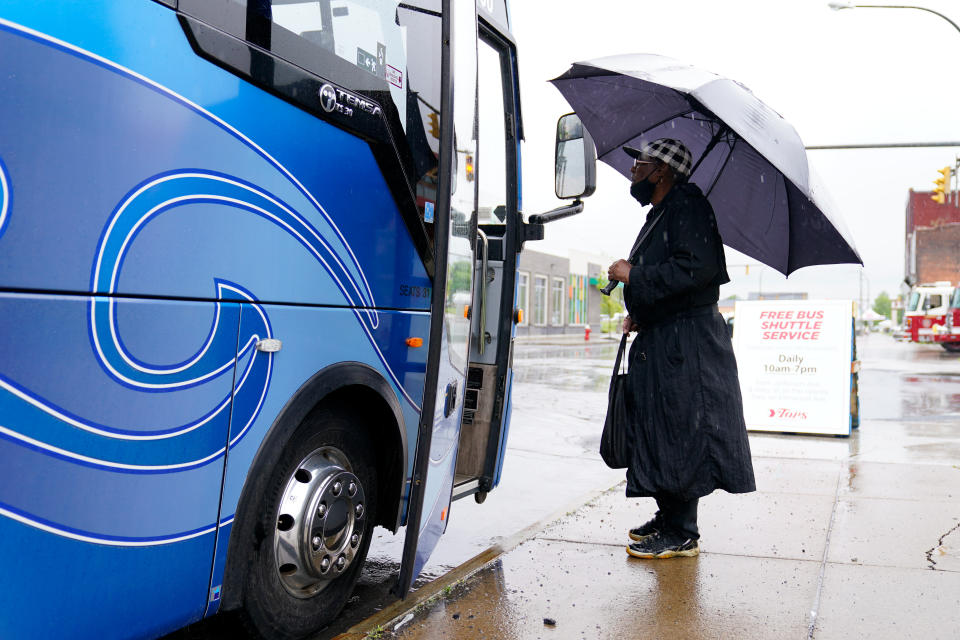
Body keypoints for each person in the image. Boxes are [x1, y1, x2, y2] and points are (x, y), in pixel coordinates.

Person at [607, 138, 755, 560]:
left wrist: (633, 274)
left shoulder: (688, 205)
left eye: (641, 163)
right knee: (661, 429)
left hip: (687, 345)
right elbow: (671, 277)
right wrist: (642, 311)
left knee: (683, 430)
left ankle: (683, 531)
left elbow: (697, 271)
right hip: (665, 338)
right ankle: (668, 516)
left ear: (663, 171)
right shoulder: (664, 212)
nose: (633, 169)